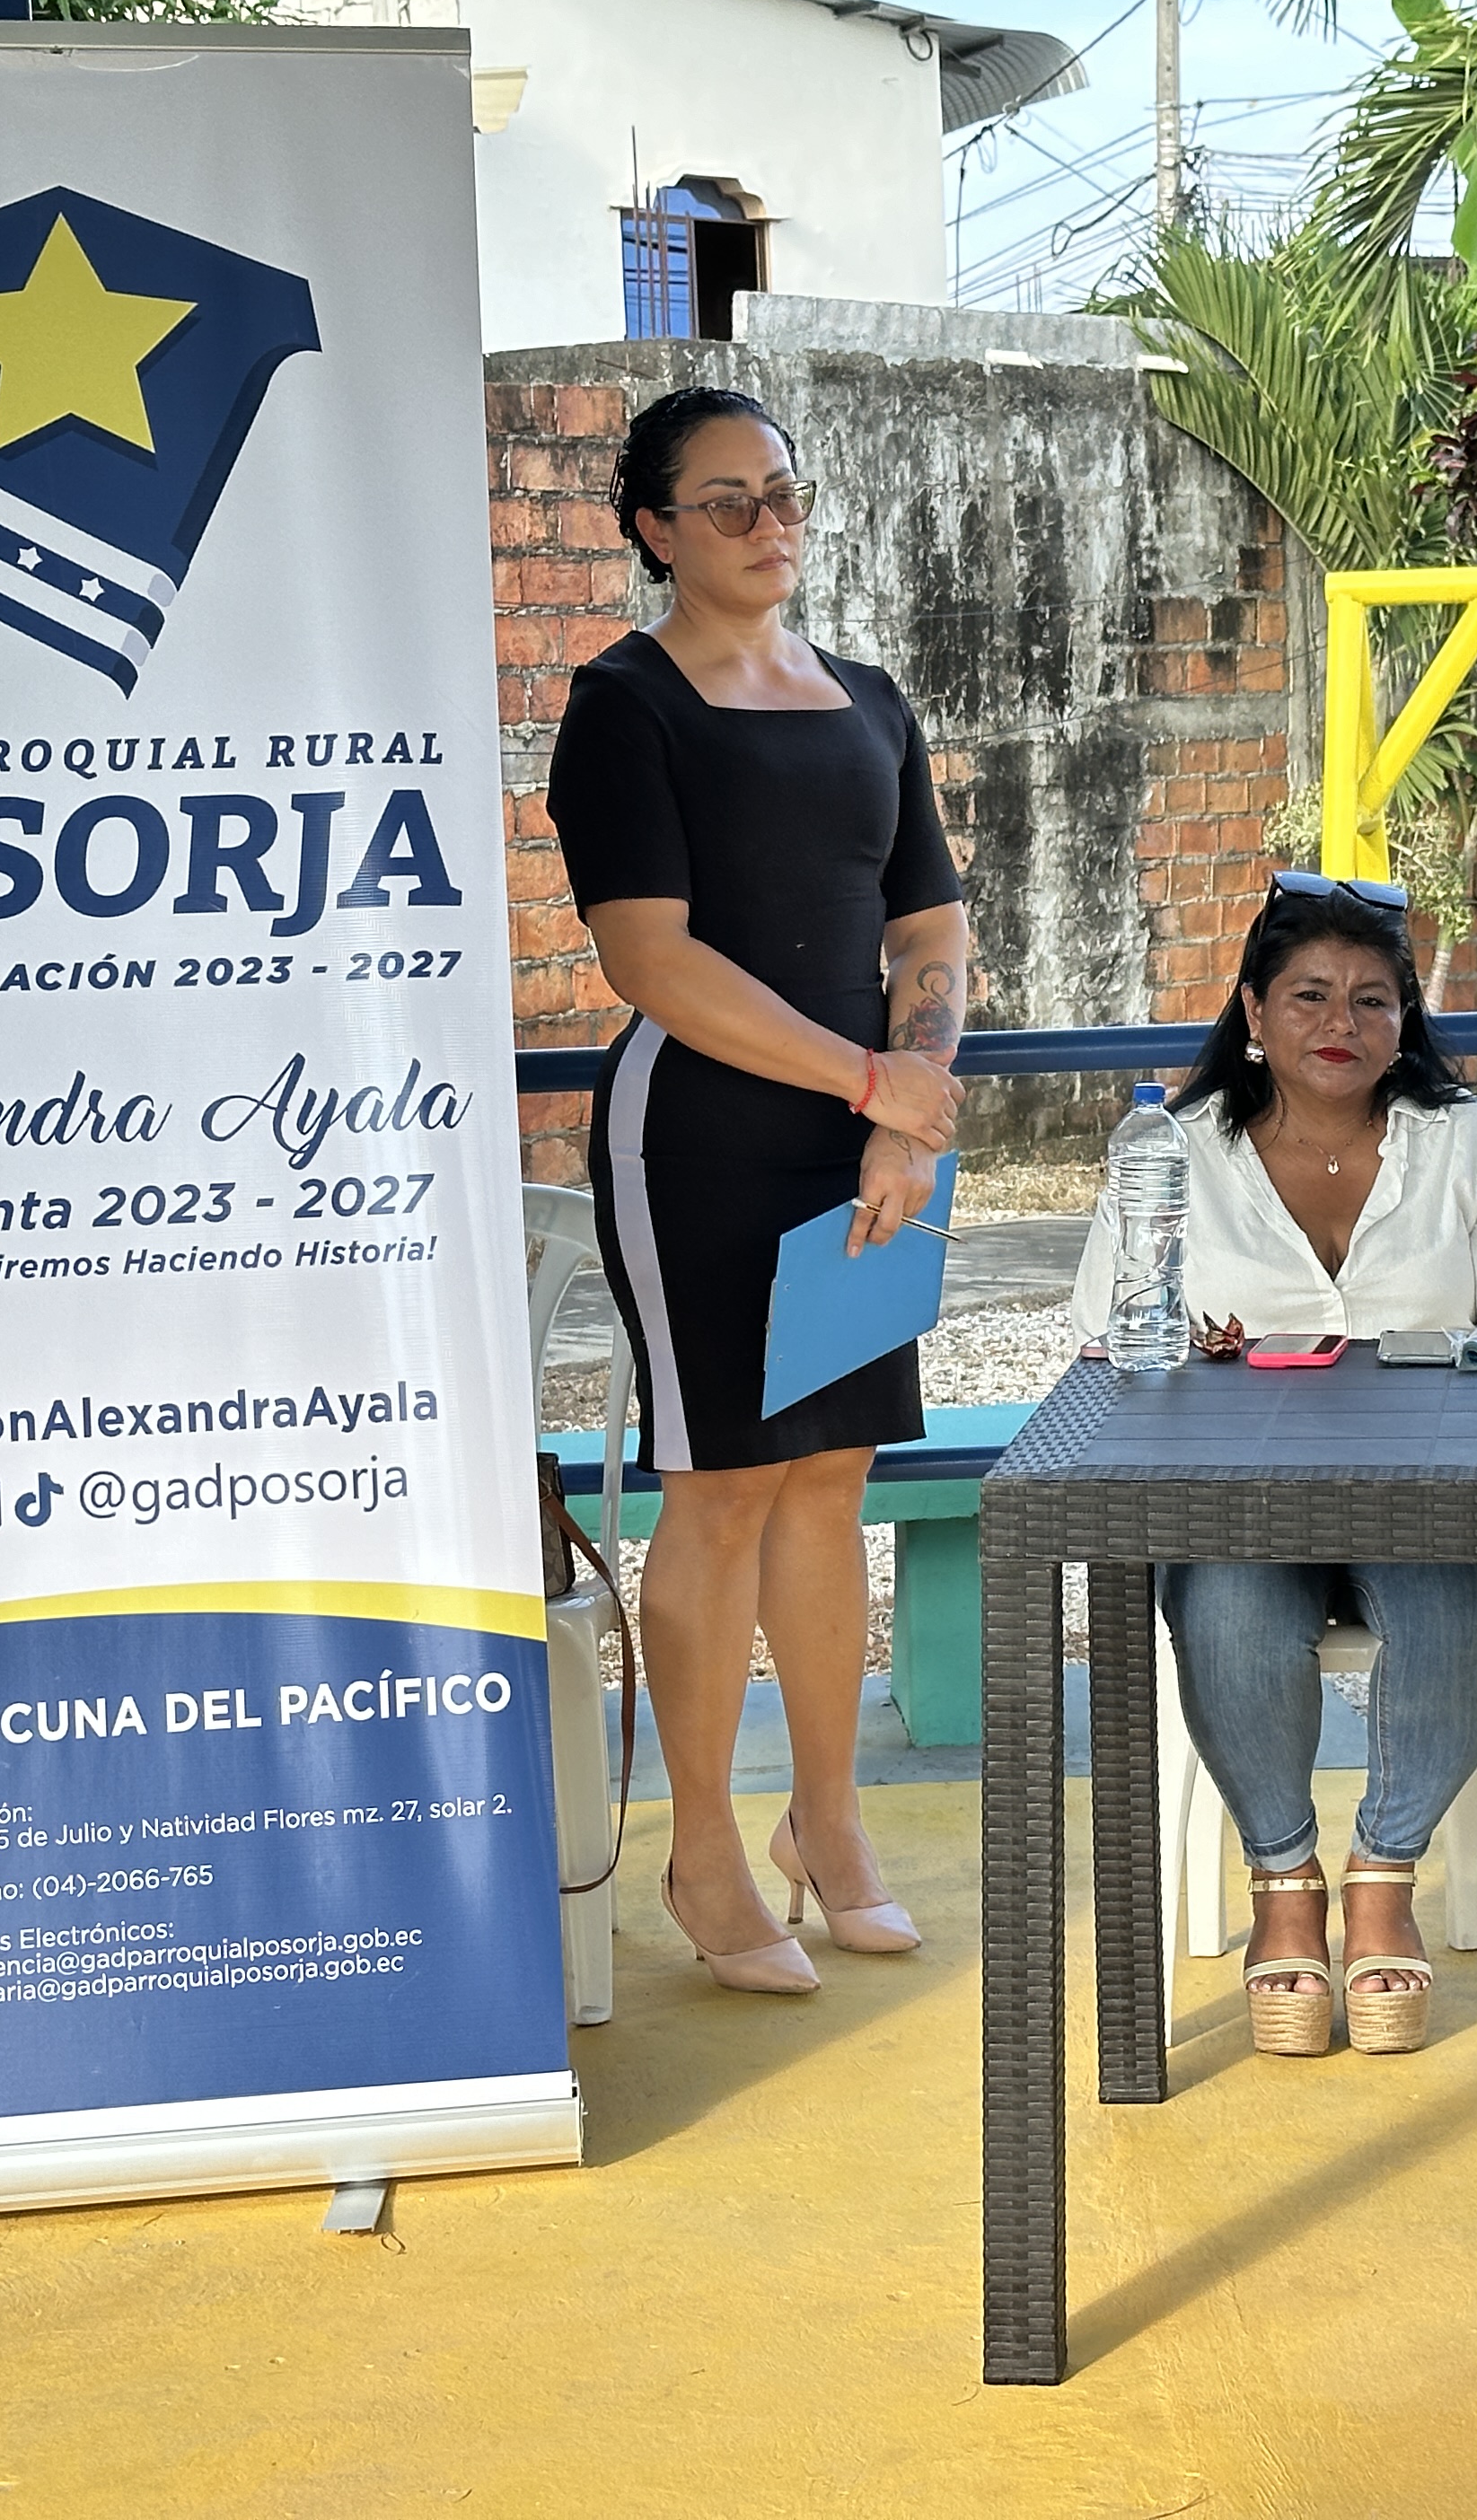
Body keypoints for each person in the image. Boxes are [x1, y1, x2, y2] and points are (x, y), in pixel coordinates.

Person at [549, 386, 971, 1997]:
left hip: (868, 1140)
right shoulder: (624, 706)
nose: (766, 523)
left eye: (784, 492)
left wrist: (906, 1117)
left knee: (831, 1478)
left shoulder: (870, 699)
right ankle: (705, 1848)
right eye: (725, 500)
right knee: (723, 1483)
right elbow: (650, 959)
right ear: (654, 527)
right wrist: (872, 1082)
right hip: (699, 1141)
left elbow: (927, 930)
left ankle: (827, 1819)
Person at [1073, 874, 1477, 2057]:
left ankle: (1384, 1872)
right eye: (1309, 997)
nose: (1341, 1023)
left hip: (1431, 1493)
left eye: (1372, 1000)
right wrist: (1189, 1359)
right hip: (1240, 1499)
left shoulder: (1475, 1144)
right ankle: (1284, 1884)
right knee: (1230, 1606)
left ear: (1406, 1020)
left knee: (1467, 1603)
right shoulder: (1175, 1152)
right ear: (1253, 1010)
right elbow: (1100, 1342)